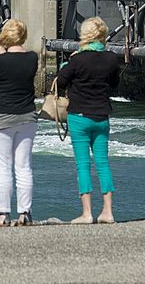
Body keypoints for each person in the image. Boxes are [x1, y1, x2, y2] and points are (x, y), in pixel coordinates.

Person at [56, 16, 121, 225]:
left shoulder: (77, 60)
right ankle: (108, 212)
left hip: (79, 118)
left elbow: (61, 80)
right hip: (102, 117)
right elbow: (114, 82)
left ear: (84, 35)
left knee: (83, 165)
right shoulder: (111, 58)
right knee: (103, 163)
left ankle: (87, 214)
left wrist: (68, 62)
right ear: (102, 36)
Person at [0, 19, 38, 227]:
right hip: (27, 117)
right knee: (24, 167)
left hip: (1, 119)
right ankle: (25, 213)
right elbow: (15, 64)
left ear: (5, 36)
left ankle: (3, 214)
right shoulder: (32, 58)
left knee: (3, 168)